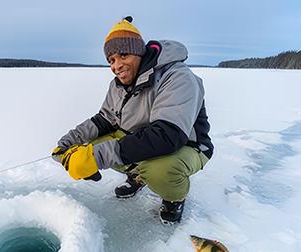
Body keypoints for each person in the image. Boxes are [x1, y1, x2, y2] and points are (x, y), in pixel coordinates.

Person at [52, 16, 213, 224]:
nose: (116, 65)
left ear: (139, 51)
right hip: (144, 138)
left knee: (159, 170)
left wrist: (98, 157)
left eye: (123, 55)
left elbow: (168, 135)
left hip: (188, 145)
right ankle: (138, 176)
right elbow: (103, 120)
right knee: (90, 147)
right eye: (111, 60)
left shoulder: (177, 77)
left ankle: (174, 198)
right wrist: (68, 143)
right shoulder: (117, 85)